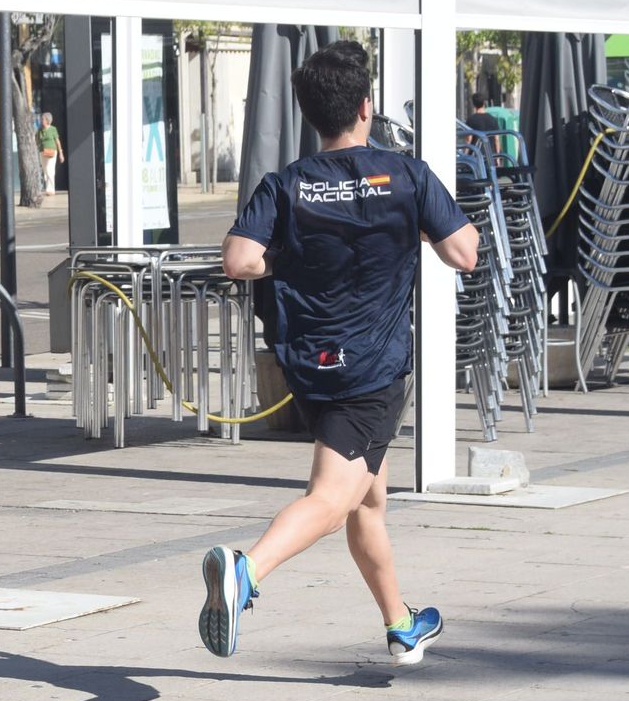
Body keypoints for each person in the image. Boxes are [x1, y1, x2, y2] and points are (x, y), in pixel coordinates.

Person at [201, 40, 479, 667]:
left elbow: (240, 261)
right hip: (372, 370)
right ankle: (246, 572)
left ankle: (401, 622)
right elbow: (465, 252)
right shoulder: (405, 174)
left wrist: (291, 256)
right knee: (333, 498)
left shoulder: (286, 184)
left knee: (368, 497)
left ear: (310, 114)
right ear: (365, 107)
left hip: (309, 365)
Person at [37, 112, 63, 196]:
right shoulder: (40, 130)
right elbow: (36, 140)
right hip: (42, 151)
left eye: (43, 119)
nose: (41, 120)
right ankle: (48, 188)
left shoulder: (53, 129)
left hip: (52, 151)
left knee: (49, 169)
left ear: (47, 120)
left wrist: (61, 153)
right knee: (45, 170)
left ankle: (51, 189)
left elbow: (57, 141)